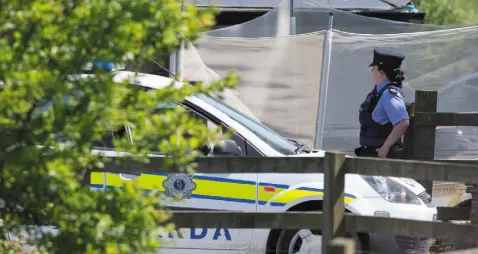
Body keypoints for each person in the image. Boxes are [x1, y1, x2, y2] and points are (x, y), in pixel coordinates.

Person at [354, 48, 410, 159]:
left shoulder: (389, 94)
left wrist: (385, 148)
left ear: (381, 73)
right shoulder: (378, 93)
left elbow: (403, 122)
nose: (371, 72)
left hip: (382, 158)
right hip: (372, 155)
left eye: (373, 68)